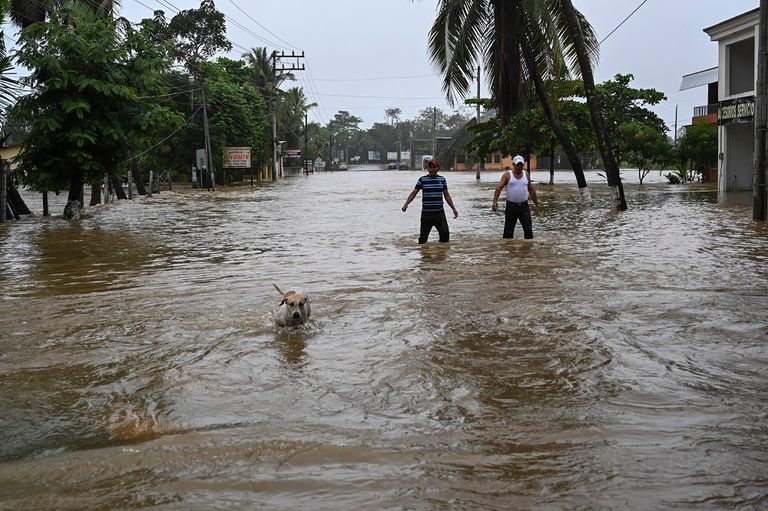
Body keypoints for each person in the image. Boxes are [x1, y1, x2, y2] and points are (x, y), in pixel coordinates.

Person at [402, 159, 459, 244]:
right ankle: (424, 254)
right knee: (423, 238)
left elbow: (446, 195)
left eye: (434, 167)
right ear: (427, 169)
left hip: (439, 213)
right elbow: (414, 192)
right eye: (430, 167)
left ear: (438, 168)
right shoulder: (422, 180)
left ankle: (441, 254)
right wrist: (406, 204)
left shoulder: (442, 180)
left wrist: (453, 208)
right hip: (426, 214)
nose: (432, 169)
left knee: (445, 235)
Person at [492, 154, 539, 239]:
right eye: (517, 165)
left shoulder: (526, 175)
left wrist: (536, 205)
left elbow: (531, 190)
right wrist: (495, 201)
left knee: (529, 233)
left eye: (521, 164)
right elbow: (499, 187)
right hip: (511, 207)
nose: (519, 167)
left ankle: (527, 250)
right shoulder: (507, 175)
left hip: (524, 207)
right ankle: (509, 251)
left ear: (523, 164)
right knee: (508, 235)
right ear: (513, 164)